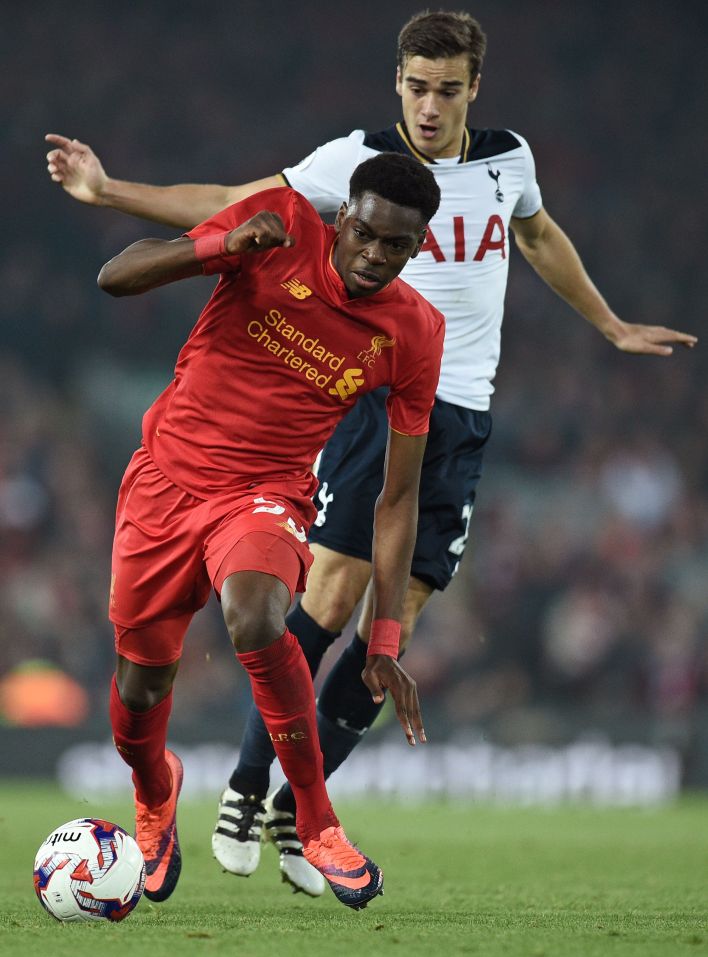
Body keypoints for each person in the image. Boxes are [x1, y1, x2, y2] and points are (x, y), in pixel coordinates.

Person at [45, 10, 697, 898]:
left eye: (449, 90)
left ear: (475, 90)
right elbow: (223, 204)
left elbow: (539, 237)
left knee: (372, 619)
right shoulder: (334, 171)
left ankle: (298, 810)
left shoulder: (505, 172)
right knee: (202, 658)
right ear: (398, 84)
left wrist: (611, 323)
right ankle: (213, 787)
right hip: (296, 423)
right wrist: (119, 193)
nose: (431, 106)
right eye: (418, 87)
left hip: (436, 415)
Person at [94, 152, 444, 910]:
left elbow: (399, 495)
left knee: (256, 615)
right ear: (343, 217)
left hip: (267, 492)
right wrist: (220, 248)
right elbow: (116, 277)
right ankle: (155, 789)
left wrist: (383, 635)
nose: (377, 256)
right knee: (139, 688)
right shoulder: (281, 225)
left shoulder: (414, 332)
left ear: (419, 248)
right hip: (163, 481)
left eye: (399, 247)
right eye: (369, 234)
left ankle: (317, 821)